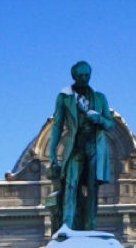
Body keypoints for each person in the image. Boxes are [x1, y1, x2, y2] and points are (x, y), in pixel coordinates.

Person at [47, 61, 116, 232]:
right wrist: (52, 152)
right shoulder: (64, 97)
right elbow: (57, 125)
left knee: (93, 188)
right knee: (71, 184)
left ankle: (90, 226)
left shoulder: (100, 98)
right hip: (75, 147)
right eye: (81, 76)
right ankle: (67, 225)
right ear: (74, 76)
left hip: (95, 146)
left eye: (87, 75)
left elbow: (110, 124)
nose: (84, 79)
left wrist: (98, 118)